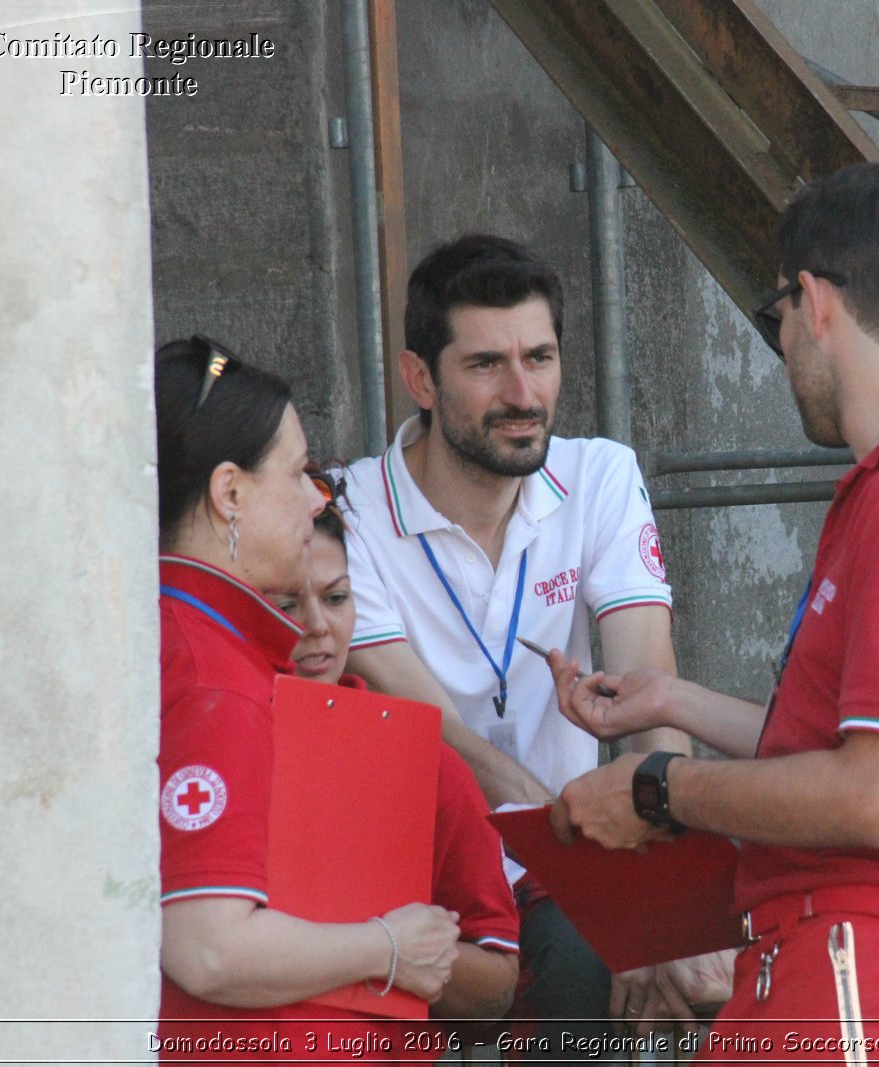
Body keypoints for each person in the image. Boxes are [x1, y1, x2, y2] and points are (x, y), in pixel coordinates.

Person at [547, 162, 879, 1061]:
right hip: (854, 957)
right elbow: (857, 752)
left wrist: (657, 789)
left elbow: (873, 795)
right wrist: (668, 703)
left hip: (871, 956)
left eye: (774, 316)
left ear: (815, 301)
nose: (781, 343)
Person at [337, 235, 714, 1042]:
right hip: (417, 865)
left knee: (653, 969)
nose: (523, 392)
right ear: (419, 379)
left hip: (559, 860)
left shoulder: (600, 475)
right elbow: (439, 734)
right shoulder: (348, 508)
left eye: (539, 357)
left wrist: (661, 903)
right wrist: (606, 872)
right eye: (485, 365)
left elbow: (651, 686)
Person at [154, 336, 460, 1061]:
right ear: (229, 493)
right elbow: (210, 948)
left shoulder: (178, 636)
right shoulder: (210, 671)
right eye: (296, 473)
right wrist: (386, 945)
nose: (316, 496)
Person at [265, 467, 521, 1042]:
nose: (317, 627)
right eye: (284, 601)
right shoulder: (204, 739)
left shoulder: (423, 762)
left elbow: (498, 986)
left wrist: (401, 949)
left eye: (337, 598)